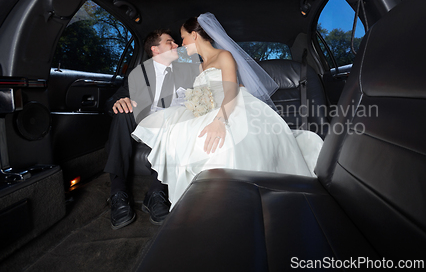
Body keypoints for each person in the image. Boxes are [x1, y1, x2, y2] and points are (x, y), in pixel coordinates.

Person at [131, 13, 323, 209]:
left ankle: (228, 203)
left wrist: (219, 121)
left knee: (223, 143)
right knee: (182, 135)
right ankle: (198, 202)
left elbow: (231, 89)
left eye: (183, 37)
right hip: (209, 110)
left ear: (194, 36)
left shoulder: (224, 56)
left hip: (232, 105)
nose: (181, 43)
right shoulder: (199, 66)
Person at [104, 29, 199, 229]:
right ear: (155, 49)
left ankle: (156, 193)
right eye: (170, 42)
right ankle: (118, 192)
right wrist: (118, 102)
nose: (176, 46)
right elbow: (115, 97)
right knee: (123, 112)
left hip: (172, 125)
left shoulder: (186, 70)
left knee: (179, 121)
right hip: (143, 124)